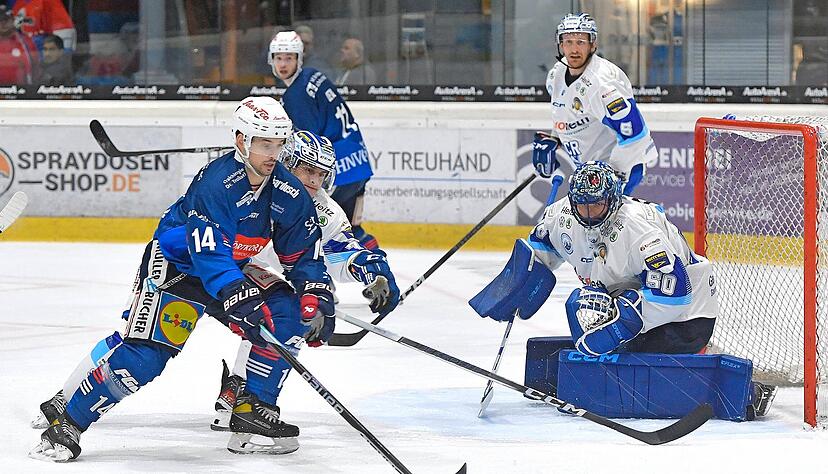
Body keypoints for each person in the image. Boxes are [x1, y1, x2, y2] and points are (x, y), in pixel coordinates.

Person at [28, 97, 337, 461]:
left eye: (278, 144)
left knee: (286, 312)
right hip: (179, 269)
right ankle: (68, 423)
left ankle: (251, 411)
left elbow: (303, 253)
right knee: (145, 359)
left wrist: (316, 294)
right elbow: (209, 253)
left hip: (231, 268)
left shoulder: (288, 191)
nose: (273, 154)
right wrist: (237, 294)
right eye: (265, 144)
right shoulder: (216, 182)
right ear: (242, 141)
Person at [474, 160, 776, 420]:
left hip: (686, 314)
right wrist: (517, 285)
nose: (589, 213)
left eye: (597, 205)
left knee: (632, 361)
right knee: (585, 315)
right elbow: (540, 251)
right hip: (629, 299)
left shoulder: (638, 230)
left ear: (614, 200)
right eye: (582, 205)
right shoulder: (560, 216)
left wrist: (624, 324)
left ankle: (744, 391)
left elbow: (676, 293)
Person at [210, 130, 401, 430]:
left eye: (321, 174)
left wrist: (373, 271)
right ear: (286, 162)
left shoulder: (325, 211)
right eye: (307, 170)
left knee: (285, 315)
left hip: (260, 273)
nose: (314, 181)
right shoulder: (252, 184)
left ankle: (245, 393)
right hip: (218, 266)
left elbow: (344, 252)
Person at [268, 30, 379, 249]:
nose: (283, 64)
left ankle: (316, 279)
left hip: (337, 171)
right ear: (271, 60)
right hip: (359, 164)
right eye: (279, 58)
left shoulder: (295, 95)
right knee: (353, 231)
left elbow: (310, 144)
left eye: (289, 58)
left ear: (299, 58)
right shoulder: (312, 75)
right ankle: (377, 269)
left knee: (315, 229)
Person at [532, 13, 656, 196]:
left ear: (593, 44)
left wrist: (613, 176)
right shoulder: (556, 74)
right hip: (589, 172)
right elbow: (566, 110)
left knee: (606, 224)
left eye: (581, 42)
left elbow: (636, 135)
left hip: (616, 172)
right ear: (560, 45)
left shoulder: (601, 84)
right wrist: (554, 138)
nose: (574, 49)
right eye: (568, 42)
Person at [12, 0, 76, 52]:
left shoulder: (34, 5)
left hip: (60, 31)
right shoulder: (25, 5)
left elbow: (33, 20)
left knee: (63, 60)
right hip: (66, 29)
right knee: (66, 59)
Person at [0, 4, 38, 84]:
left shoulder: (27, 42)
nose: (3, 23)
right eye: (0, 20)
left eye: (6, 19)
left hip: (22, 92)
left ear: (13, 20)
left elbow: (36, 68)